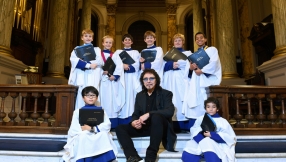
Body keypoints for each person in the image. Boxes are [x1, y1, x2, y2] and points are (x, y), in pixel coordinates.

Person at [115, 69, 177, 162]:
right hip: (145, 126)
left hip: (159, 128)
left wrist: (149, 114)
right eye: (145, 79)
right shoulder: (140, 95)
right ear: (142, 81)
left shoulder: (166, 93)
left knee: (156, 117)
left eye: (151, 78)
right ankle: (133, 157)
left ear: (156, 80)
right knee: (120, 128)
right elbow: (136, 113)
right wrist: (134, 122)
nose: (148, 81)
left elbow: (169, 112)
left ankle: (150, 156)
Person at [62, 86, 118, 162]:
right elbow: (74, 128)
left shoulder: (101, 111)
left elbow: (107, 124)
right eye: (88, 95)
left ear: (97, 97)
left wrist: (93, 129)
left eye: (93, 95)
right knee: (83, 136)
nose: (90, 98)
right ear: (83, 98)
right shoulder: (77, 111)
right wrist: (83, 129)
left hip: (97, 132)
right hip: (84, 133)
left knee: (104, 135)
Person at [182, 31, 222, 128]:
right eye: (197, 38)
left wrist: (202, 71)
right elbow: (188, 72)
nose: (199, 39)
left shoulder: (211, 49)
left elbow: (214, 63)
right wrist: (191, 68)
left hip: (206, 81)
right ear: (195, 41)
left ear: (205, 39)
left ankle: (209, 126)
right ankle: (196, 126)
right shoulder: (194, 55)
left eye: (201, 37)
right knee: (196, 103)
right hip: (196, 82)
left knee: (206, 101)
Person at [182, 97, 237, 162]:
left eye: (213, 107)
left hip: (216, 142)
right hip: (201, 139)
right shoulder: (200, 119)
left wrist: (211, 135)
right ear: (205, 108)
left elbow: (229, 137)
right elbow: (194, 130)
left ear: (217, 109)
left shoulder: (223, 121)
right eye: (208, 107)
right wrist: (202, 133)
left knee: (208, 143)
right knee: (189, 149)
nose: (211, 109)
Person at [162, 33, 192, 132]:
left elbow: (189, 65)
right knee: (171, 100)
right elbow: (162, 66)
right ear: (173, 43)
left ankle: (183, 125)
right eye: (176, 40)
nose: (178, 42)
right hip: (170, 80)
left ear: (183, 42)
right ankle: (171, 125)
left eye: (179, 40)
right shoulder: (168, 54)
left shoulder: (188, 53)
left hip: (181, 79)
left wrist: (178, 64)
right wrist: (171, 64)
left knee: (181, 100)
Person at [68, 29, 103, 109]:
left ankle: (95, 116)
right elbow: (74, 61)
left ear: (92, 38)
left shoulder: (97, 49)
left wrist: (86, 62)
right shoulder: (77, 49)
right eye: (86, 36)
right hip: (82, 75)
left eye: (90, 36)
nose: (88, 38)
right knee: (82, 94)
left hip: (93, 75)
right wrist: (88, 65)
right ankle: (81, 117)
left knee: (94, 93)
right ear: (82, 38)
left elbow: (99, 61)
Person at [113, 34, 141, 125]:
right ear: (122, 42)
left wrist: (128, 67)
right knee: (121, 95)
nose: (127, 41)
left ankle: (131, 119)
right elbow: (113, 63)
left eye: (129, 40)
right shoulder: (117, 52)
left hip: (131, 77)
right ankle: (121, 120)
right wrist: (122, 66)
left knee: (131, 96)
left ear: (132, 42)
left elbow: (137, 65)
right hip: (121, 78)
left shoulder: (136, 52)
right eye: (125, 40)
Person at [99, 35, 125, 129]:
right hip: (101, 82)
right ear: (102, 43)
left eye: (110, 42)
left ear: (112, 44)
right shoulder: (99, 55)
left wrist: (114, 76)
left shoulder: (115, 55)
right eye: (106, 42)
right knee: (101, 101)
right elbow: (96, 66)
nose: (108, 44)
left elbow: (119, 67)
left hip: (111, 82)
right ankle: (101, 123)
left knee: (111, 102)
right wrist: (102, 72)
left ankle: (112, 124)